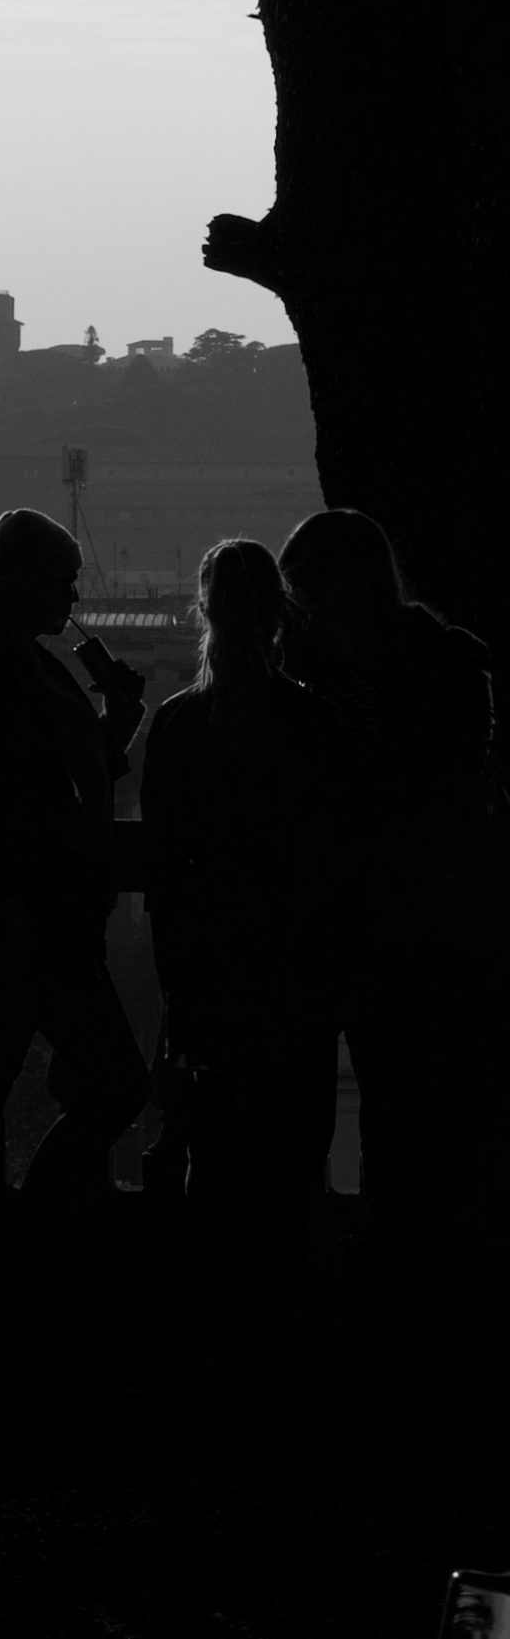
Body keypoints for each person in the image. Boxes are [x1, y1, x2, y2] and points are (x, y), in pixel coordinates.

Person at [277, 507, 499, 1318]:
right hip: (419, 920)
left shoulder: (313, 668)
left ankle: (391, 1269)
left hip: (379, 923)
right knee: (415, 1102)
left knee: (390, 1101)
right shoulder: (448, 660)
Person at [140, 539, 343, 1325]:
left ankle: (210, 1318)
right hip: (294, 976)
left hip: (211, 975)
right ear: (281, 614)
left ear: (203, 611)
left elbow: (165, 877)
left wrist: (178, 987)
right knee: (290, 1161)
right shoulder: (312, 721)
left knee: (216, 1155)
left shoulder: (177, 725)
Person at [0, 508, 150, 1195]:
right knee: (109, 1083)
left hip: (26, 924)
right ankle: (38, 1213)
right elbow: (4, 805)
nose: (74, 596)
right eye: (64, 580)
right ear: (27, 584)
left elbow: (35, 783)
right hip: (31, 926)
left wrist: (113, 733)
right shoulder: (1, 672)